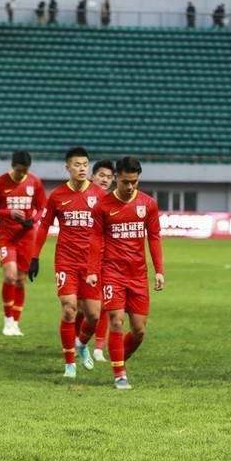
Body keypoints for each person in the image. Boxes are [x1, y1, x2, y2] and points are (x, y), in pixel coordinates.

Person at [86, 156, 164, 390]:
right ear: (116, 178)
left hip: (138, 275)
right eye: (125, 182)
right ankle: (120, 374)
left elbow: (154, 237)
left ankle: (118, 358)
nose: (130, 187)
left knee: (139, 330)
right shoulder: (103, 206)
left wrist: (159, 271)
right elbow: (95, 238)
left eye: (134, 182)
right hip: (112, 273)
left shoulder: (148, 204)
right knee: (116, 322)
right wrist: (92, 270)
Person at [30, 147, 105, 377]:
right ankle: (69, 364)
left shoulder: (100, 196)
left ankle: (82, 344)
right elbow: (44, 226)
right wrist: (34, 257)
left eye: (85, 164)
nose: (82, 168)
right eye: (77, 164)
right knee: (69, 309)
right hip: (66, 261)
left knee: (93, 315)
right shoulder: (57, 196)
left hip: (92, 263)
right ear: (68, 167)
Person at [0, 151, 46, 336]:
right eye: (19, 171)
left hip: (27, 237)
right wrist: (8, 213)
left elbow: (42, 207)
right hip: (6, 236)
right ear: (13, 166)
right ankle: (7, 320)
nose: (21, 175)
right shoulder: (0, 182)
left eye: (24, 171)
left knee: (20, 280)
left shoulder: (34, 182)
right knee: (10, 276)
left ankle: (16, 323)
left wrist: (33, 220)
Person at [86, 159, 115, 360]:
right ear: (92, 176)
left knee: (105, 302)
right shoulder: (80, 196)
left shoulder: (113, 201)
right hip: (80, 259)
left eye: (109, 177)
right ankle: (77, 341)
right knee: (82, 307)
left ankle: (98, 348)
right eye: (101, 176)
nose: (105, 180)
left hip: (105, 257)